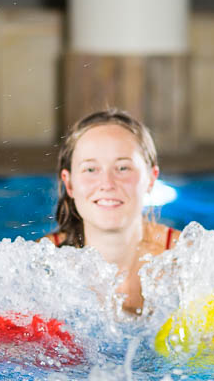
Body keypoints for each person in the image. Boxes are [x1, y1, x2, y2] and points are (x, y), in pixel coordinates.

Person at [43, 109, 189, 313]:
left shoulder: (186, 258)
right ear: (69, 184)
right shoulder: (43, 264)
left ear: (151, 179)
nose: (107, 184)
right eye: (91, 169)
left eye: (122, 168)